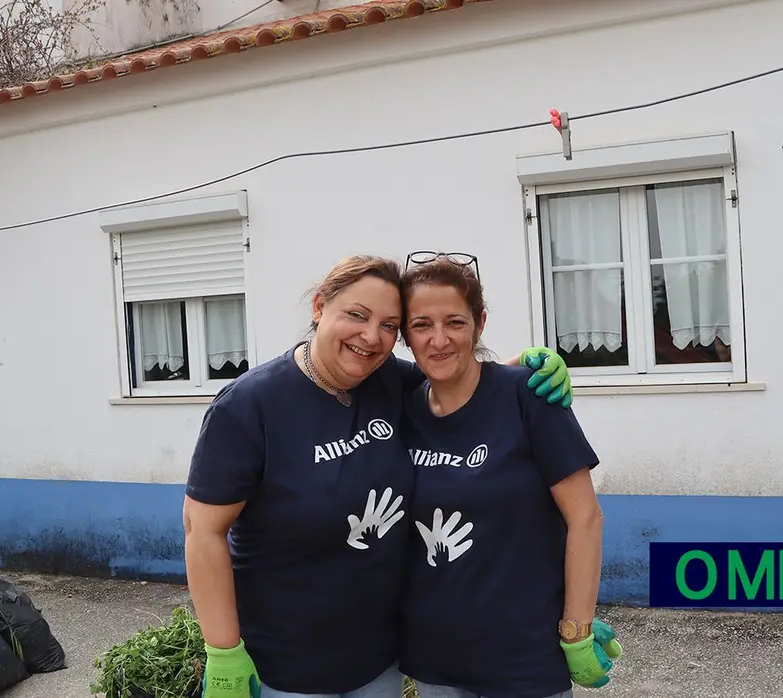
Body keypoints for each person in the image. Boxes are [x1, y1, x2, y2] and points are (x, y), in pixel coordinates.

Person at [182, 255, 576, 698]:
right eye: (356, 315)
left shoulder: (388, 380)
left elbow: (455, 378)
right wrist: (223, 650)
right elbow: (202, 531)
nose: (371, 337)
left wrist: (523, 366)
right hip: (286, 668)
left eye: (390, 325)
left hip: (377, 665)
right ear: (318, 307)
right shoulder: (249, 406)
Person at [395, 254, 622, 698]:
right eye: (421, 324)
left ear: (479, 323)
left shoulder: (529, 396)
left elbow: (586, 518)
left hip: (523, 657)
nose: (439, 340)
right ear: (405, 334)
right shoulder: (401, 409)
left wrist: (575, 630)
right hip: (434, 657)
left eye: (455, 323)